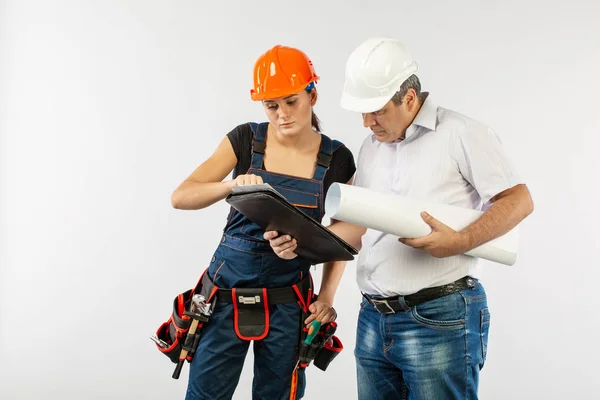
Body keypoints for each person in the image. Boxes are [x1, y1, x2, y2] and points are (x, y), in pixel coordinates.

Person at [265, 37, 534, 399]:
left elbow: (518, 200)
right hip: (374, 319)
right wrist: (302, 243)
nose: (366, 122)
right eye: (361, 112)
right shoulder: (372, 147)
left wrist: (459, 241)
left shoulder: (460, 134)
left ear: (408, 99)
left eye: (375, 111)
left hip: (440, 318)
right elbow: (358, 229)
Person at [170, 44, 356, 400]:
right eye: (271, 106)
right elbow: (181, 196)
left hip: (289, 303)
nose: (282, 114)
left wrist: (326, 296)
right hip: (223, 298)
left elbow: (344, 238)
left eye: (291, 102)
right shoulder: (246, 139)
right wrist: (230, 185)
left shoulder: (338, 159)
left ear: (312, 94)